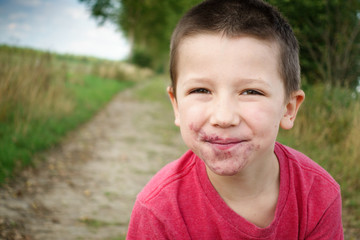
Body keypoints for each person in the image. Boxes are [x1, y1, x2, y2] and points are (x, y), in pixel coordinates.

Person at [127, 0, 344, 239]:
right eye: (201, 90)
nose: (223, 117)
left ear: (289, 108)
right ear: (176, 105)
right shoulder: (158, 210)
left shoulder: (318, 194)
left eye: (251, 92)